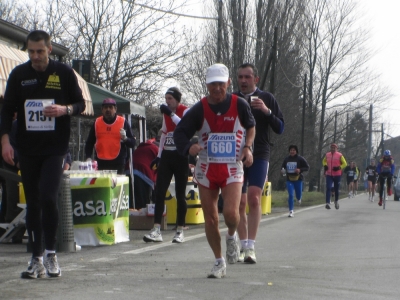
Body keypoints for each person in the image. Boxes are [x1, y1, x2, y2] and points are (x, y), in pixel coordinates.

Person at [0, 30, 86, 278]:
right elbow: (7, 112)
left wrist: (64, 109)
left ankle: (51, 253)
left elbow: (80, 104)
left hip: (54, 148)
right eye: (31, 52)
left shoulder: (64, 73)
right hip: (27, 148)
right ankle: (36, 258)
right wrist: (5, 141)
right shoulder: (19, 75)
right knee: (33, 202)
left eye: (40, 51)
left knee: (48, 197)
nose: (35, 56)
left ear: (49, 49)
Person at [174, 63, 256, 278]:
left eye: (221, 84)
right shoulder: (199, 108)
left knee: (231, 214)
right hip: (206, 167)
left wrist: (248, 148)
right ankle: (219, 262)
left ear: (228, 83)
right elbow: (179, 133)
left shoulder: (239, 104)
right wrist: (188, 147)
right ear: (207, 85)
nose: (217, 89)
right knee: (210, 218)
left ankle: (231, 235)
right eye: (212, 85)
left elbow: (250, 126)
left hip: (232, 167)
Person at [233, 63, 284, 263]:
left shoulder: (267, 98)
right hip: (236, 153)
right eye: (240, 77)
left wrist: (267, 111)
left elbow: (280, 127)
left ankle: (250, 248)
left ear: (256, 79)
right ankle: (242, 244)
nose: (243, 81)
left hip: (260, 152)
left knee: (254, 198)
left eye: (247, 77)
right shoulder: (233, 99)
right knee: (239, 202)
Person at [143, 87, 190, 244]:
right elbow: (164, 134)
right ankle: (156, 229)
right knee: (160, 191)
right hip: (168, 156)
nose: (167, 101)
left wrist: (171, 114)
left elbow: (184, 126)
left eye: (170, 98)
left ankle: (180, 230)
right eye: (166, 98)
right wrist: (158, 156)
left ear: (177, 100)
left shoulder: (185, 111)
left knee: (180, 194)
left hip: (181, 156)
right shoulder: (166, 113)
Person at [85, 98, 136, 175]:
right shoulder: (97, 122)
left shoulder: (123, 122)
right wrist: (88, 157)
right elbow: (89, 142)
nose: (108, 110)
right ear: (102, 110)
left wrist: (125, 138)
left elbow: (132, 143)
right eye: (105, 107)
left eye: (110, 107)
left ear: (115, 109)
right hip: (101, 162)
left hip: (118, 163)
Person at [280, 145, 310, 217]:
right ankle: (291, 211)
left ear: (296, 151)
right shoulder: (286, 159)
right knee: (290, 195)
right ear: (289, 151)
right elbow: (282, 167)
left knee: (298, 195)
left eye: (293, 150)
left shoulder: (300, 159)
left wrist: (300, 170)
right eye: (291, 150)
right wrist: (282, 171)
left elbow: (307, 167)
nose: (292, 151)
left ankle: (299, 199)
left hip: (298, 179)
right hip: (289, 179)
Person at [132, 138, 158, 209]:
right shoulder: (156, 149)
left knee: (132, 200)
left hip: (129, 171)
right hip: (143, 174)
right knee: (143, 203)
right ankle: (143, 218)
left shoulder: (140, 148)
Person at [322, 143, 347, 210]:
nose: (332, 149)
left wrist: (339, 167)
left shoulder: (340, 155)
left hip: (337, 174)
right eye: (331, 148)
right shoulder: (327, 154)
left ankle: (336, 201)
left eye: (334, 148)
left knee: (336, 189)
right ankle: (327, 203)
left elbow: (345, 164)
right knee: (328, 188)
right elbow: (324, 161)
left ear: (336, 149)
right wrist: (325, 165)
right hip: (329, 174)